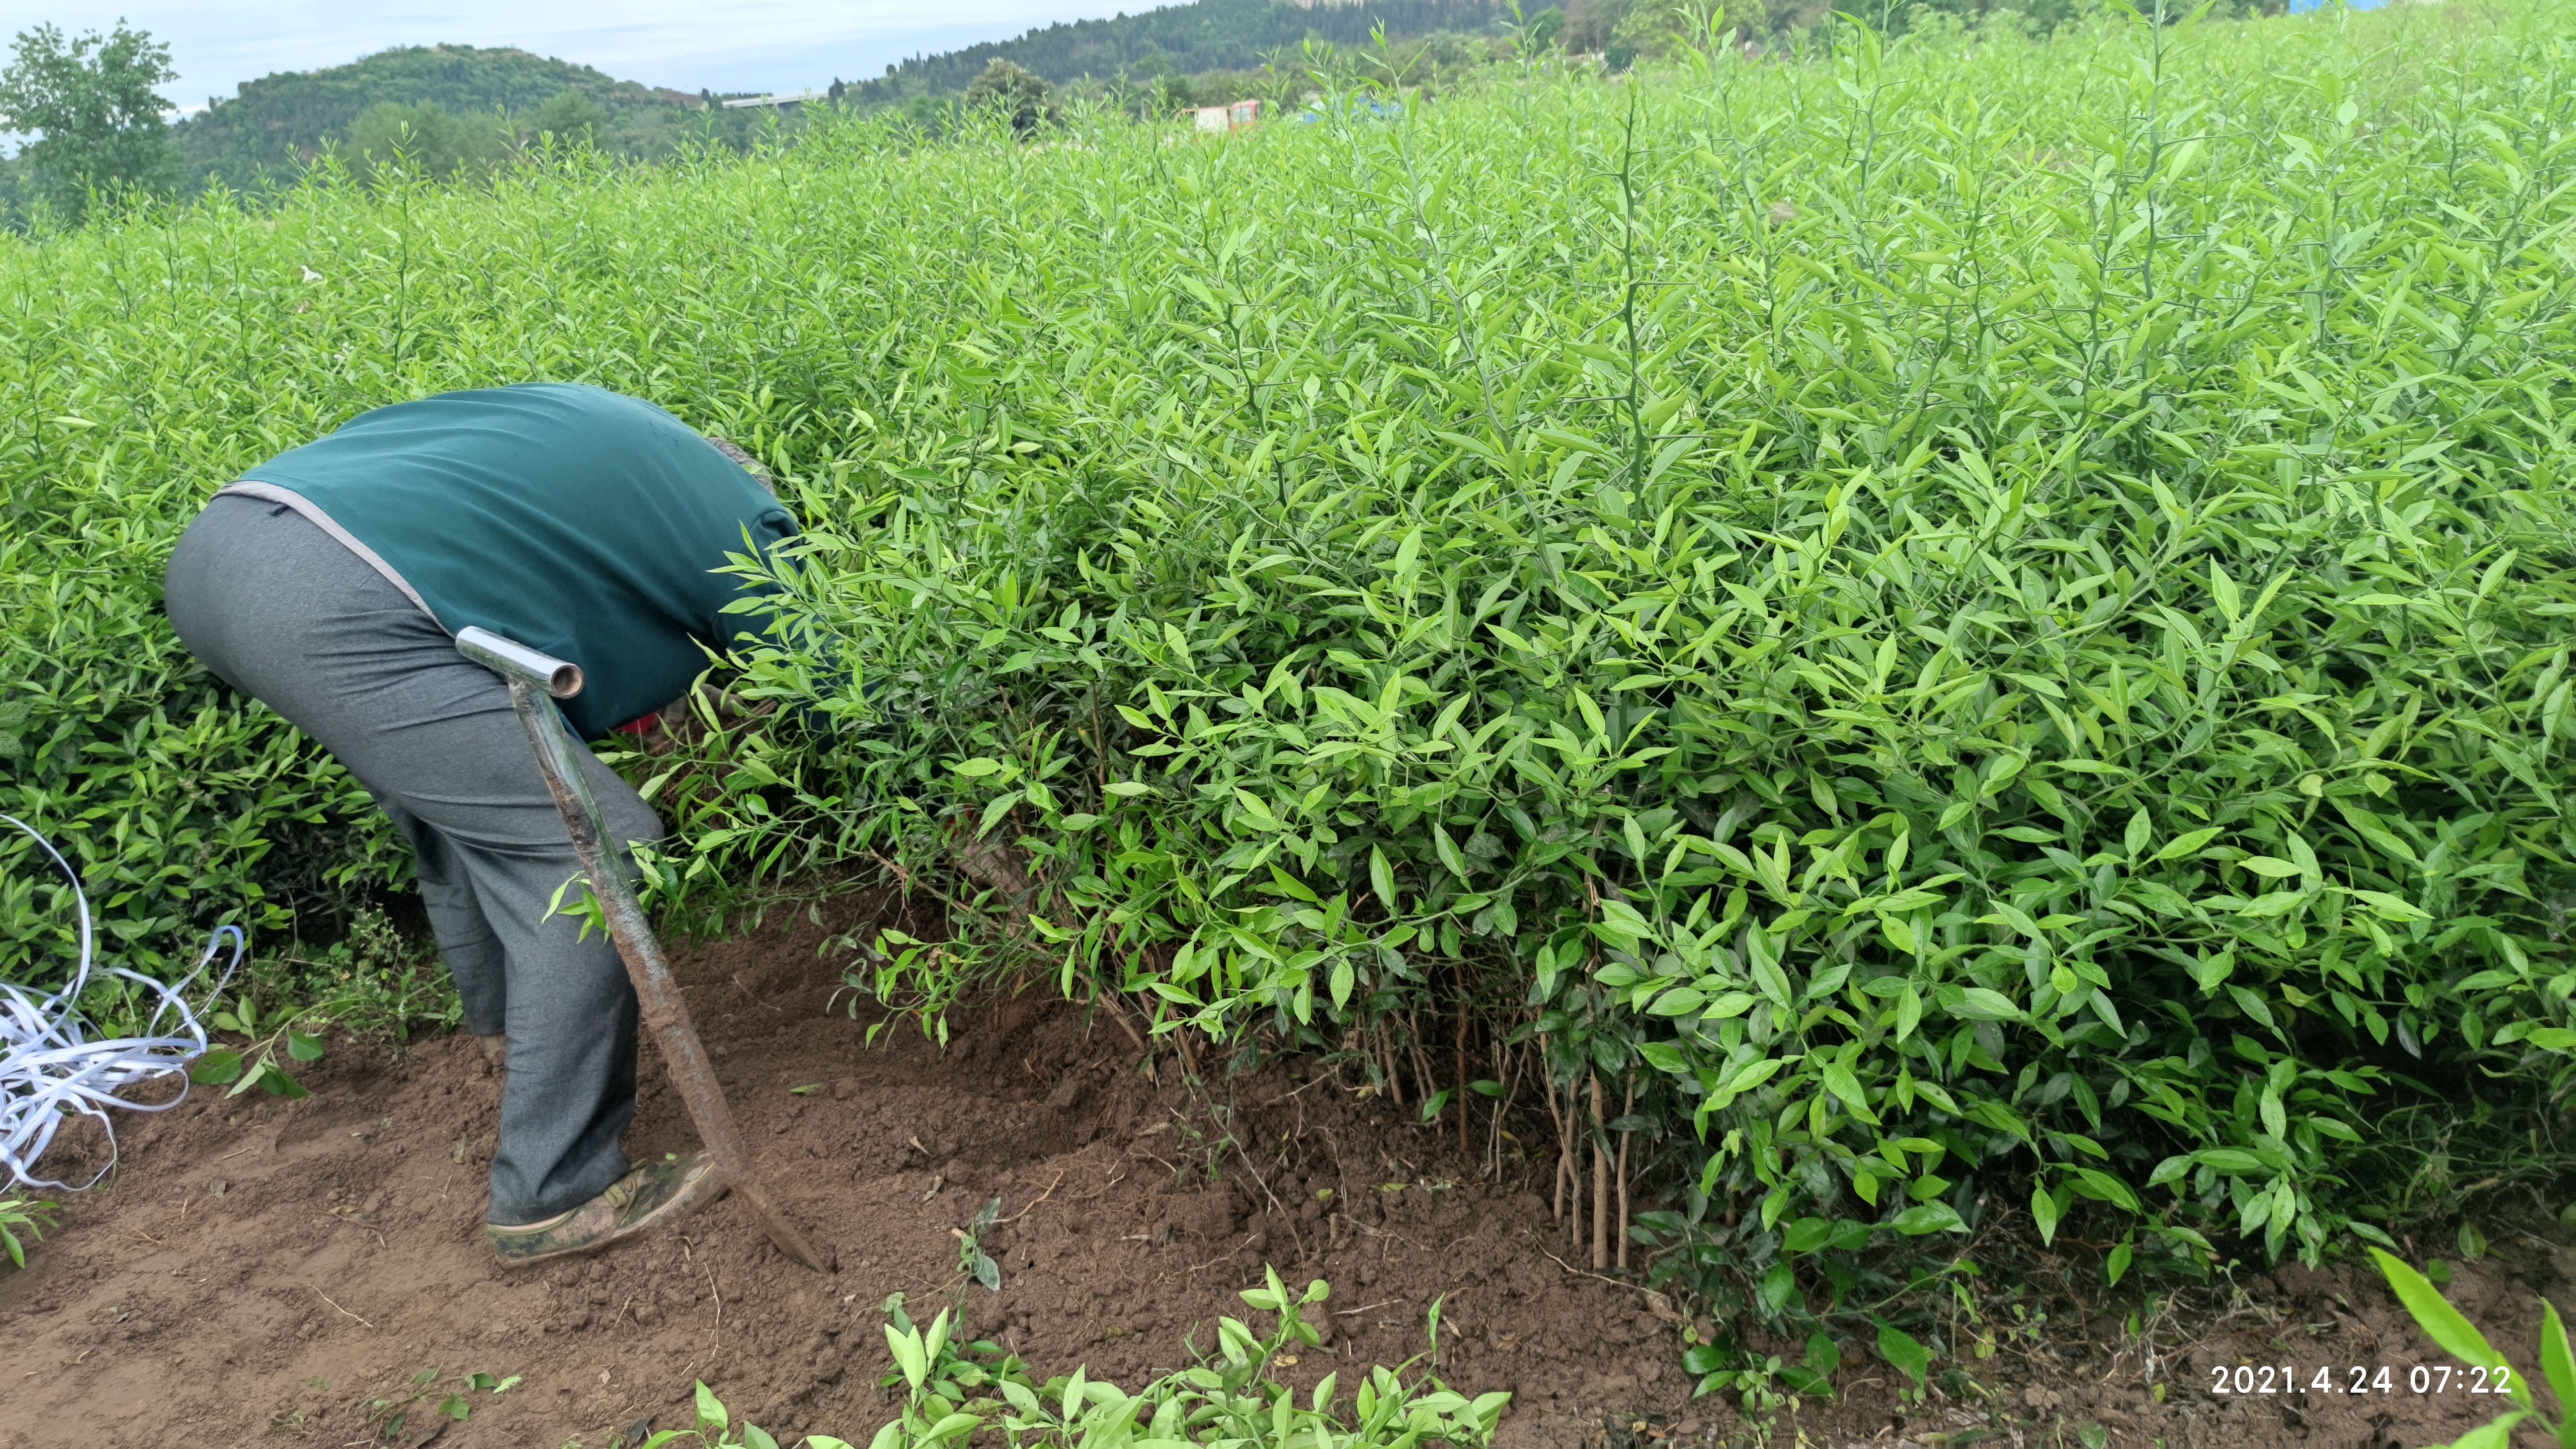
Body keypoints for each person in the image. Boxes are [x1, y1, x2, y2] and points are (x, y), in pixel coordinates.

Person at [161, 381, 799, 1265]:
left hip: (231, 552)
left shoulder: (601, 444)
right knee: (595, 847)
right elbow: (833, 676)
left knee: (468, 803)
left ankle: (507, 1030)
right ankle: (557, 1191)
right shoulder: (739, 514)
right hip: (338, 597)